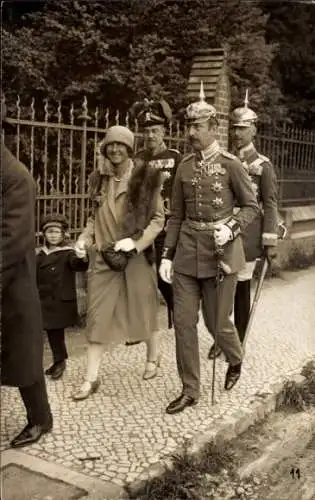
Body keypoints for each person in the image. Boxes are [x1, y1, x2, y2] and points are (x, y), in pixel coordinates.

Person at [159, 83, 259, 414]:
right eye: (188, 125)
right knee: (184, 324)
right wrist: (166, 255)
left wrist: (230, 227)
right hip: (187, 254)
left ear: (214, 128)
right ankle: (190, 390)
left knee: (216, 323)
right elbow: (175, 217)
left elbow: (252, 207)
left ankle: (235, 357)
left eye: (197, 126)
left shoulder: (231, 164)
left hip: (221, 255)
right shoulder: (184, 166)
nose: (190, 132)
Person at [71, 125, 165, 400]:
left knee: (142, 309)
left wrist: (135, 244)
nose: (115, 150)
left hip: (134, 257)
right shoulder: (98, 179)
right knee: (97, 316)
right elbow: (93, 218)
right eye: (110, 145)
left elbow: (159, 219)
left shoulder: (145, 178)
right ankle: (91, 378)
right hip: (104, 256)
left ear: (129, 149)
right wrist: (84, 239)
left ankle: (153, 356)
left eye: (120, 145)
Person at [208, 92, 279, 359]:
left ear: (254, 130)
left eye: (243, 128)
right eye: (235, 128)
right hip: (223, 231)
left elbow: (270, 204)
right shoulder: (225, 160)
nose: (238, 134)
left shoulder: (263, 166)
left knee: (239, 290)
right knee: (220, 287)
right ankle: (221, 337)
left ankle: (235, 342)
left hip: (247, 236)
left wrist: (269, 242)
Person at [1, 103, 53, 447]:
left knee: (23, 357)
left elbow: (11, 239)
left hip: (11, 283)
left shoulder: (16, 177)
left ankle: (40, 419)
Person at [133, 99, 182, 329]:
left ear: (164, 131)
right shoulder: (138, 158)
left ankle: (179, 311)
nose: (150, 135)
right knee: (141, 273)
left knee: (165, 272)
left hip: (168, 223)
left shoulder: (175, 156)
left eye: (155, 131)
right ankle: (142, 323)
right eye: (147, 131)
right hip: (143, 223)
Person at [36, 213, 89, 380]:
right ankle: (56, 361)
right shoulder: (40, 254)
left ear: (63, 234)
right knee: (48, 332)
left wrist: (82, 257)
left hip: (59, 300)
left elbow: (78, 265)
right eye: (49, 232)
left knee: (55, 333)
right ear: (44, 234)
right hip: (44, 299)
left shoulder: (68, 252)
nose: (53, 235)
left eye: (56, 232)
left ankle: (60, 362)